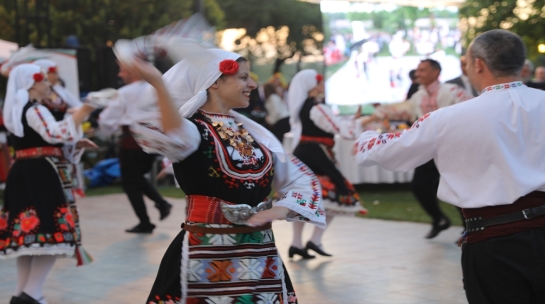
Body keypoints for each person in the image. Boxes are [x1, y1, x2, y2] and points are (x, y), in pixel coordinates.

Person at [355, 29, 545, 303]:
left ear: (478, 64)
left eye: (467, 62)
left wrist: (364, 136)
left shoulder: (447, 118)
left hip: (497, 244)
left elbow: (391, 152)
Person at [116, 38, 326, 303]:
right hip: (205, 251)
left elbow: (302, 180)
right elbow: (174, 132)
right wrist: (158, 83)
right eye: (243, 77)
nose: (252, 84)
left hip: (260, 256)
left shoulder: (258, 136)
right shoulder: (195, 131)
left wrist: (279, 210)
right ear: (215, 81)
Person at [0, 64, 99, 304]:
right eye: (44, 81)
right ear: (32, 84)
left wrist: (74, 145)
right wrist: (86, 108)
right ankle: (33, 293)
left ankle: (21, 293)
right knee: (52, 233)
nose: (48, 85)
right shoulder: (34, 109)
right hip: (42, 174)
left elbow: (43, 141)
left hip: (24, 171)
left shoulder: (19, 110)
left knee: (28, 235)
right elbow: (56, 134)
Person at [373, 59, 473, 238]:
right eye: (418, 70)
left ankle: (469, 228)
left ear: (436, 72)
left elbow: (473, 108)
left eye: (422, 70)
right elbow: (401, 110)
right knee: (420, 186)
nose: (417, 73)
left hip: (452, 148)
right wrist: (368, 118)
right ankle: (439, 220)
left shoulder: (452, 91)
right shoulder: (418, 96)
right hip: (429, 150)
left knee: (457, 187)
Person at [287, 69, 369, 258]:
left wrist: (353, 120)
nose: (322, 85)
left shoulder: (305, 106)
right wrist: (369, 119)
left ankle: (298, 243)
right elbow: (340, 128)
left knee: (302, 198)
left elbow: (334, 123)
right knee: (336, 192)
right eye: (319, 82)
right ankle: (314, 240)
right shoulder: (317, 107)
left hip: (304, 153)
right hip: (317, 154)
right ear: (311, 86)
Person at [98, 61, 173, 234]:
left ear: (133, 73)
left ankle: (145, 222)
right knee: (137, 178)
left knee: (131, 184)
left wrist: (107, 130)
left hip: (132, 142)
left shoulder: (124, 92)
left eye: (122, 71)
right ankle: (161, 204)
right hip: (154, 141)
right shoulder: (156, 90)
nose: (119, 75)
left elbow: (106, 120)